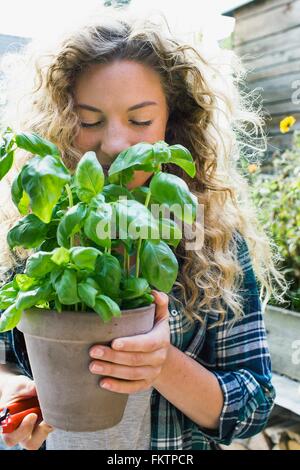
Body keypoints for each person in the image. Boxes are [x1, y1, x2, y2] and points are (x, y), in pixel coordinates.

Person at [0, 5, 287, 450]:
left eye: (139, 120)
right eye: (89, 120)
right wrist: (19, 400)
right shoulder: (37, 227)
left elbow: (253, 404)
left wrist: (161, 363)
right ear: (59, 119)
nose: (114, 143)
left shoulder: (210, 236)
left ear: (172, 122)